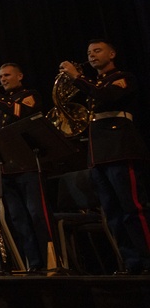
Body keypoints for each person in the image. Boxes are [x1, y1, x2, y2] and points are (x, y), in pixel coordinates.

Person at [60, 40, 150, 274]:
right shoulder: (94, 83)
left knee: (133, 209)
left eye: (97, 51)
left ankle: (147, 259)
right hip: (98, 154)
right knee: (112, 214)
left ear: (112, 53)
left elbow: (108, 97)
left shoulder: (122, 77)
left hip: (120, 149)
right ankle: (131, 263)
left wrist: (77, 78)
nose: (91, 56)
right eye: (89, 52)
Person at [0, 63, 51, 272]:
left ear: (20, 76)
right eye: (0, 76)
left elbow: (19, 112)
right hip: (8, 167)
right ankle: (32, 265)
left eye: (7, 75)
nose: (3, 79)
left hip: (29, 165)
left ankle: (51, 263)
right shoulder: (1, 102)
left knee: (37, 215)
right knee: (18, 219)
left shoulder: (29, 95)